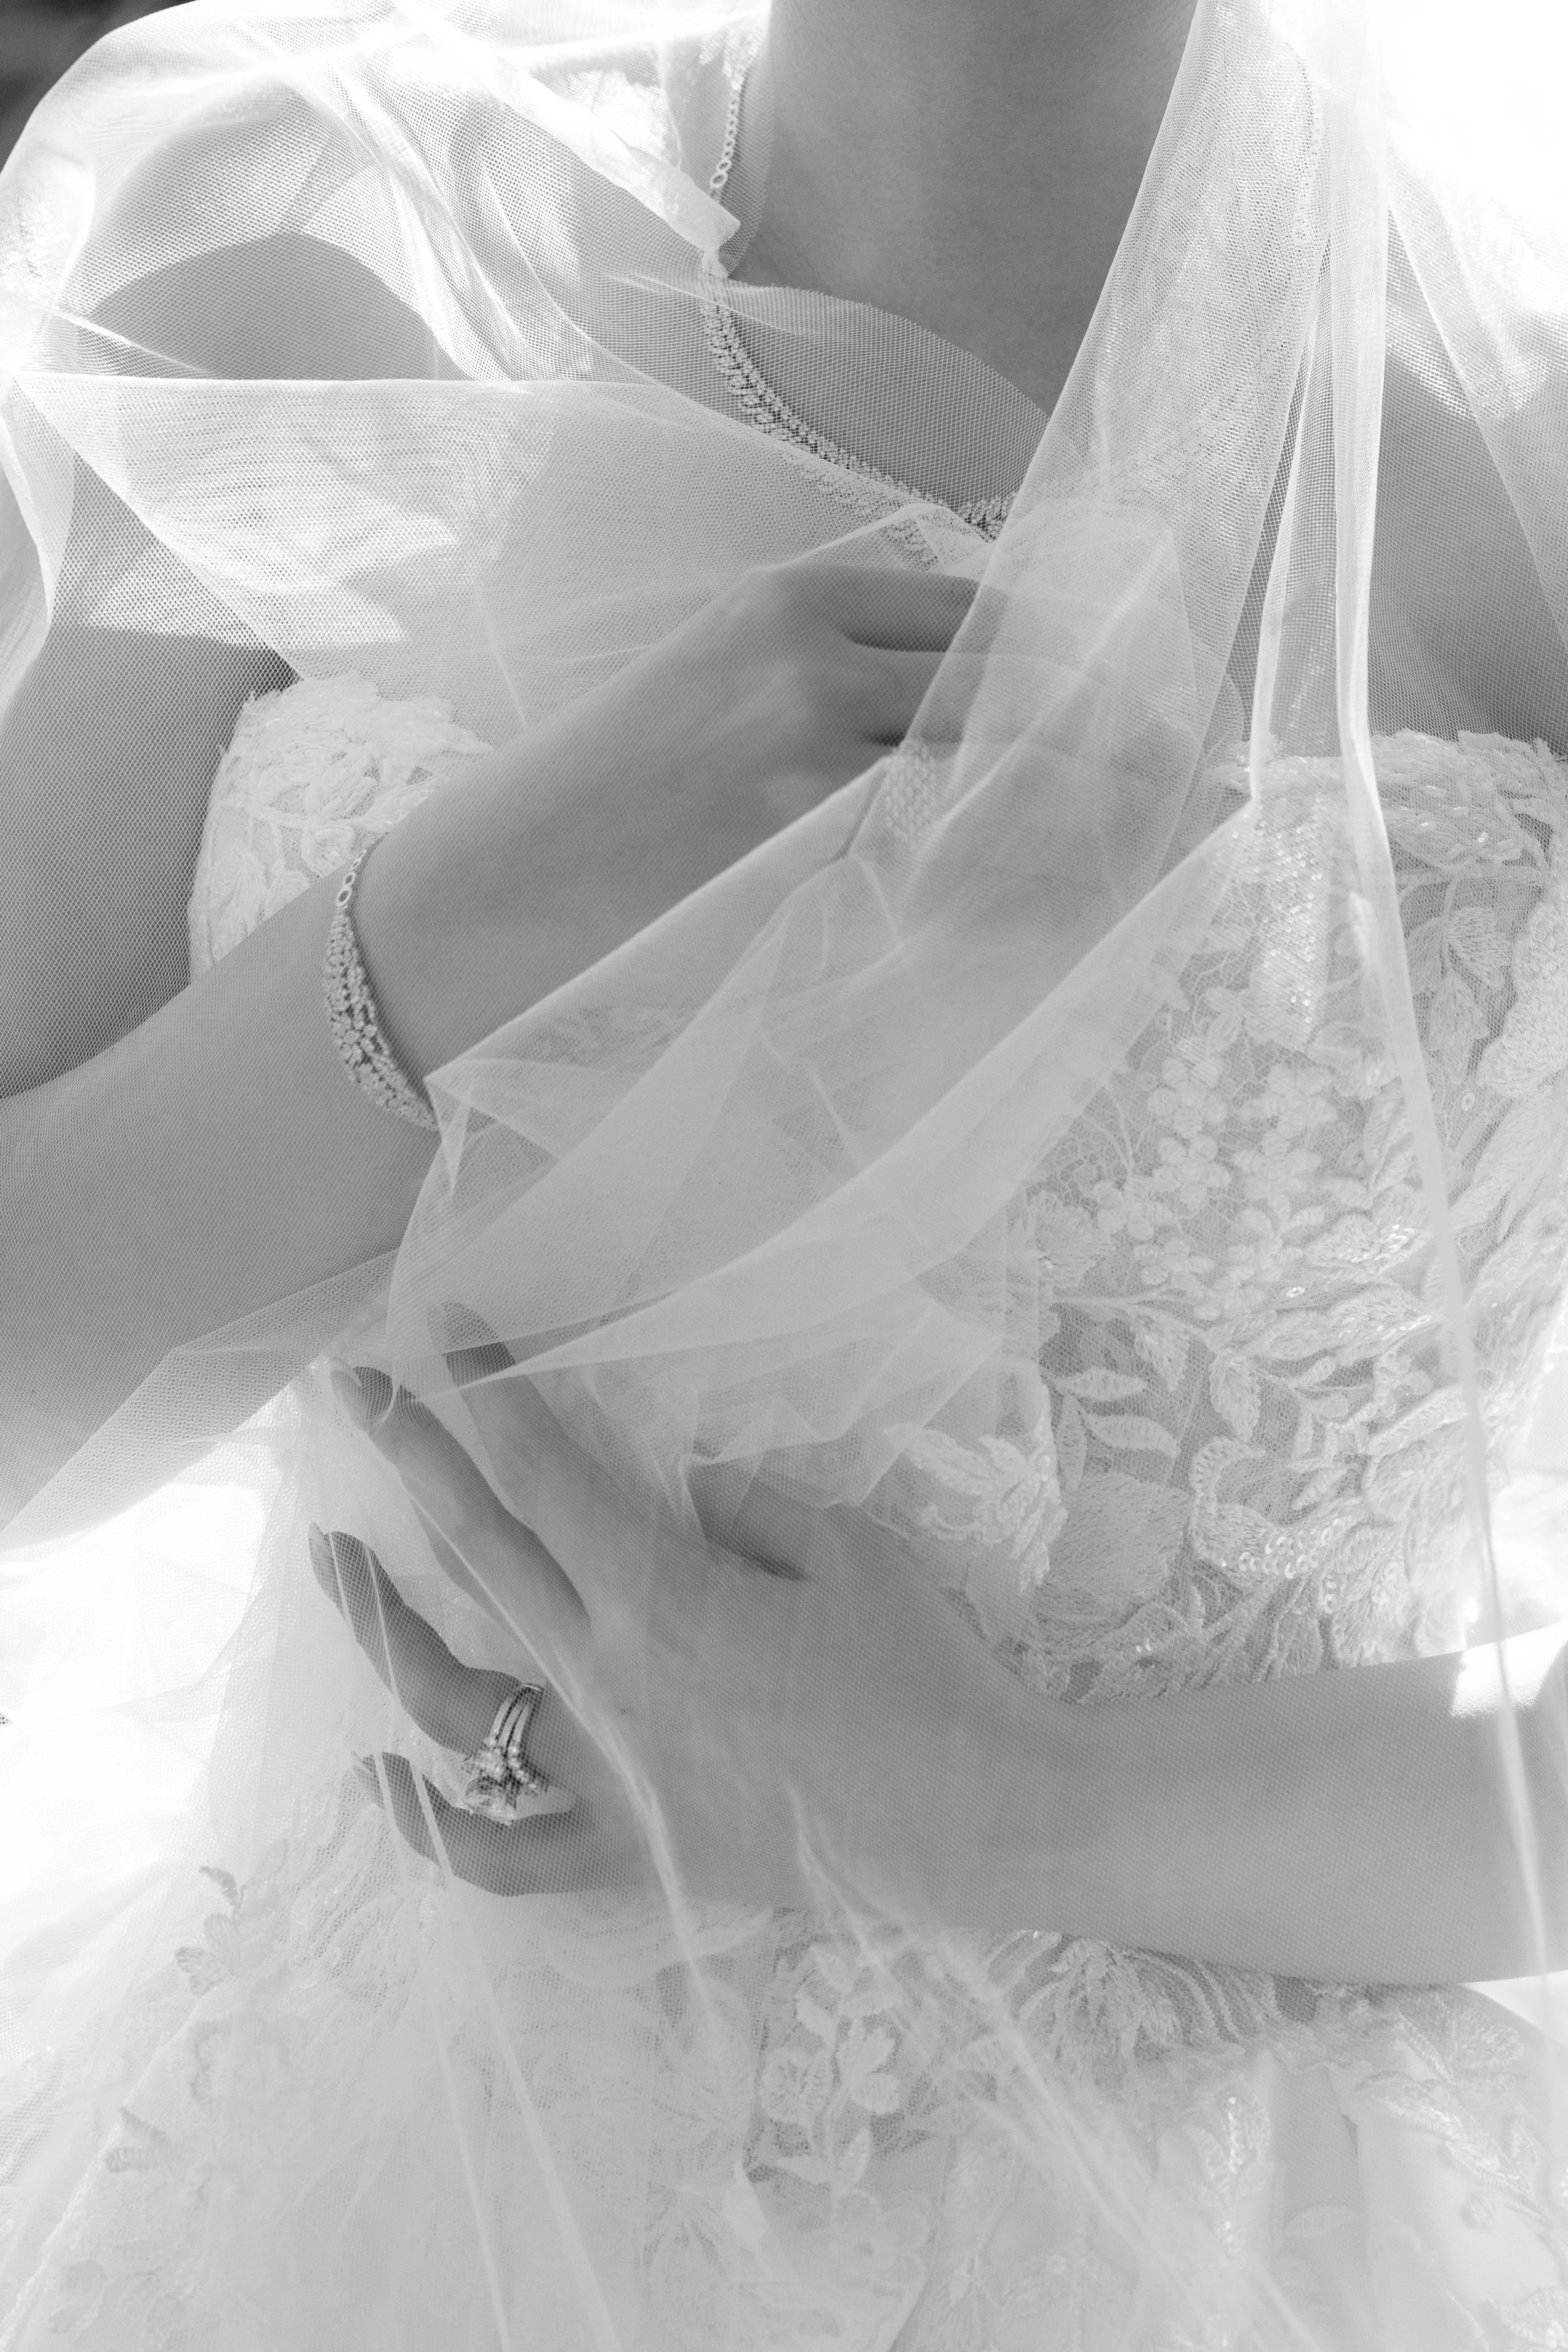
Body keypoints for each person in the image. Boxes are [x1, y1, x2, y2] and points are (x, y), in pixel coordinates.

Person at [3, 0, 1568, 2342]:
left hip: (1271, 2225)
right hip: (359, 2183)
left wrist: (997, 1794)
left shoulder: (1521, 472)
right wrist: (412, 955)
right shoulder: (310, 260)